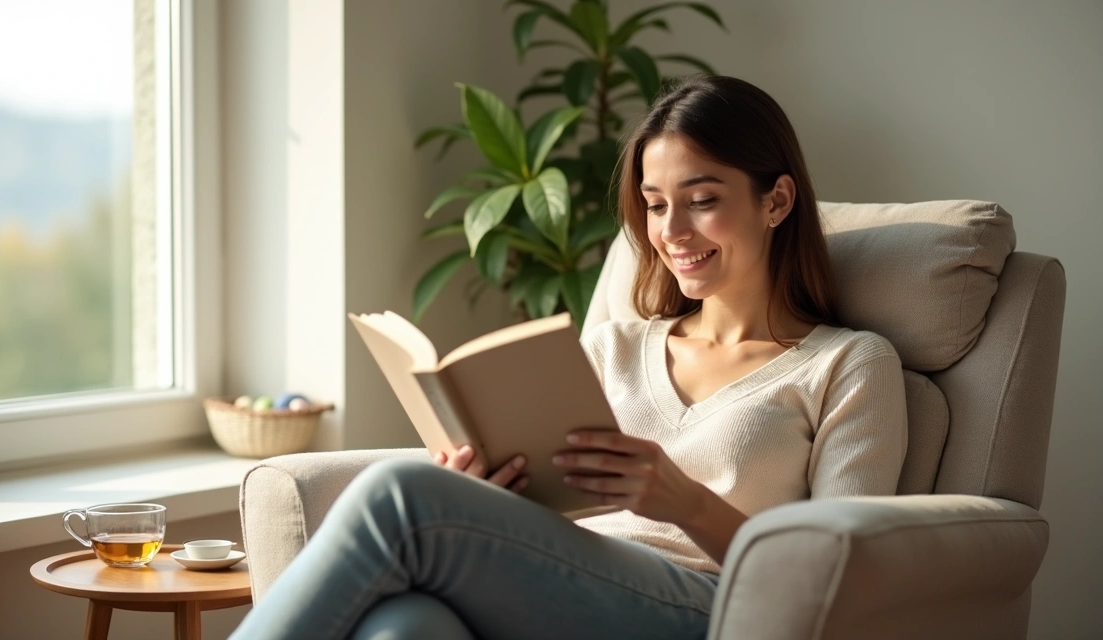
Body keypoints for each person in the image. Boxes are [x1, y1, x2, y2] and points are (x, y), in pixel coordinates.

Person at [230, 75, 908, 640]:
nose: (672, 231)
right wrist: (484, 492)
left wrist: (685, 503)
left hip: (714, 607)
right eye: (655, 206)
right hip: (571, 587)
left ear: (777, 200)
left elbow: (842, 583)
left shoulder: (847, 364)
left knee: (396, 494)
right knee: (405, 627)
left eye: (702, 201)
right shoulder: (614, 346)